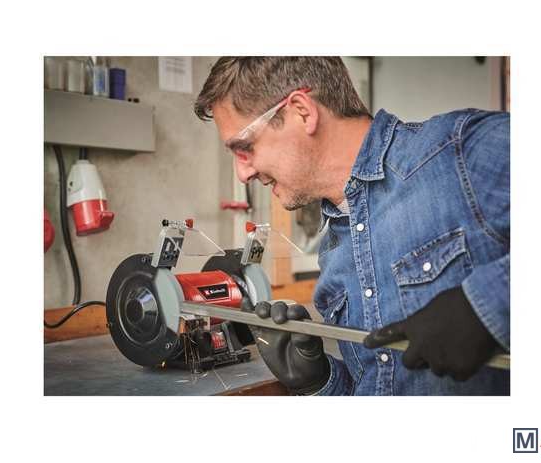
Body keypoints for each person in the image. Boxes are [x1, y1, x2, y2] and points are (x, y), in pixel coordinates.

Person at [194, 57, 510, 395]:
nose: (242, 173)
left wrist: (484, 305)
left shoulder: (459, 154)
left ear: (302, 112)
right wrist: (320, 381)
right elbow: (379, 387)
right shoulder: (335, 253)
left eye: (244, 148)